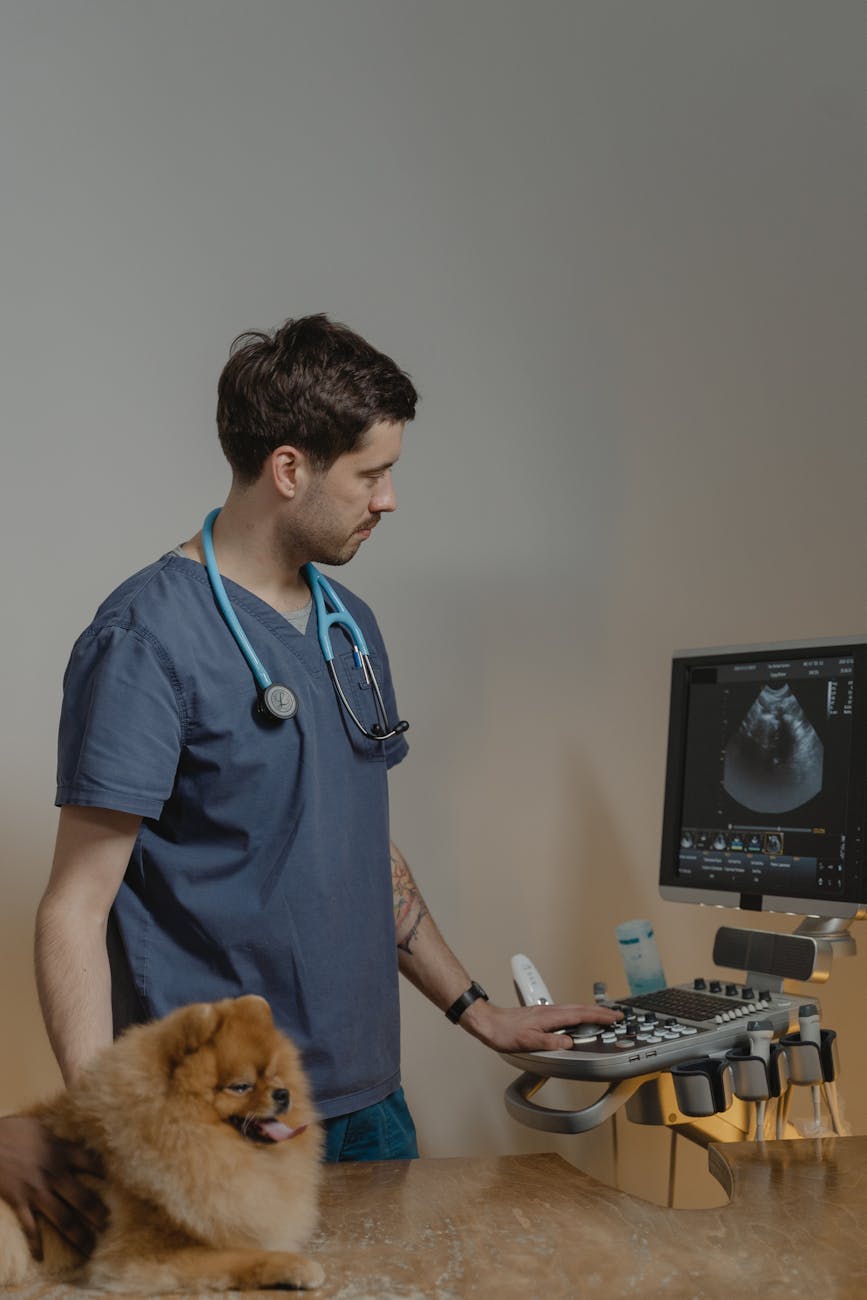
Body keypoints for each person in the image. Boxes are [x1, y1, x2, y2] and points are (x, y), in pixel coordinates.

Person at [34, 314, 617, 1172]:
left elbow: (351, 845)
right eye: (371, 474)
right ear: (288, 468)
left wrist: (479, 1013)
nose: (388, 499)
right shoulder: (144, 641)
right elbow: (73, 911)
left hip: (370, 1101)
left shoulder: (349, 627)